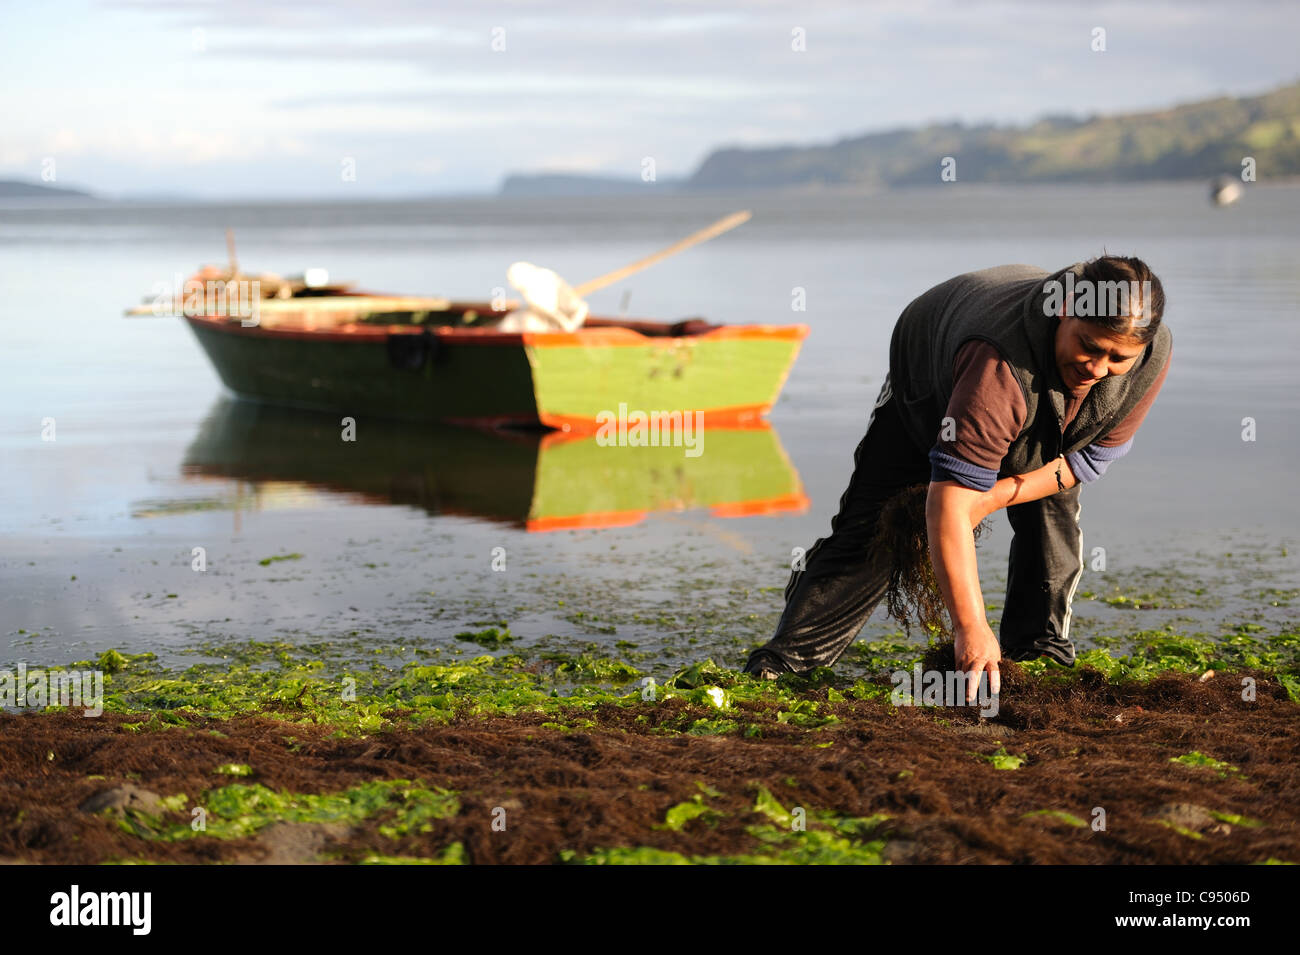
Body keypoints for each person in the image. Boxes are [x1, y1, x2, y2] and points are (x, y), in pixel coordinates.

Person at [743, 256, 1172, 696]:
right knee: (877, 526)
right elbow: (947, 505)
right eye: (1088, 346)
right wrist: (971, 629)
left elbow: (1088, 462)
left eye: (1117, 357)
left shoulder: (1151, 357)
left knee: (1051, 521)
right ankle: (784, 662)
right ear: (1064, 309)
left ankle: (1037, 655)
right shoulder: (997, 364)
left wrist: (991, 498)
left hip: (1038, 413)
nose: (1098, 368)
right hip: (931, 374)